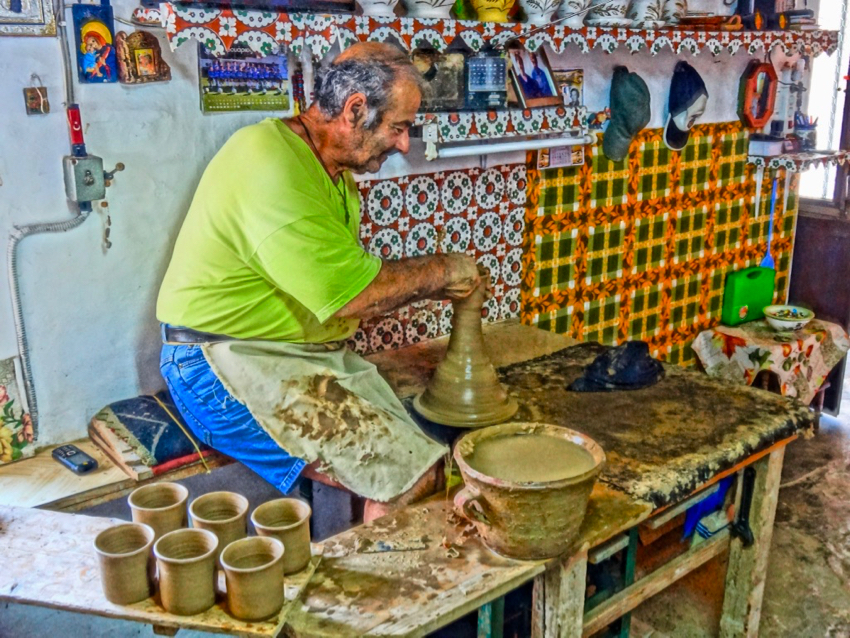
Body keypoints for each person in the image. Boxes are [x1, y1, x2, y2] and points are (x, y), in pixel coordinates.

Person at [157, 43, 484, 523]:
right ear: (355, 110)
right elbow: (354, 296)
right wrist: (445, 271)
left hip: (291, 353)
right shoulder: (268, 164)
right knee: (409, 479)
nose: (403, 145)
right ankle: (375, 592)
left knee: (431, 458)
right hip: (219, 363)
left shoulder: (330, 171)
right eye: (398, 127)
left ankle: (369, 572)